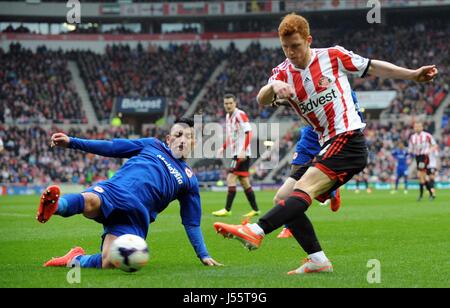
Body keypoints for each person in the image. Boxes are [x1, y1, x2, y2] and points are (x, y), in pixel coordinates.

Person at [214, 13, 438, 275]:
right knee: (283, 197)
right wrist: (274, 85)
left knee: (304, 188)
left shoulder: (332, 56)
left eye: (296, 46)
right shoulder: (282, 72)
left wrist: (412, 75)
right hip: (323, 142)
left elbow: (373, 67)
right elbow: (262, 99)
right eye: (285, 47)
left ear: (308, 40)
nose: (291, 52)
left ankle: (256, 229)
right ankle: (318, 260)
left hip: (348, 138)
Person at [37, 118, 222, 269]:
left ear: (194, 143)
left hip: (136, 215)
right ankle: (56, 206)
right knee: (91, 201)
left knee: (109, 261)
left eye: (188, 137)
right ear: (168, 139)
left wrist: (203, 254)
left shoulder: (189, 180)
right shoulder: (152, 145)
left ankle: (74, 259)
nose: (182, 139)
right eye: (178, 135)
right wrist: (72, 142)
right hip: (115, 192)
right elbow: (112, 147)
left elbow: (191, 222)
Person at [276, 90, 360, 238]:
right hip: (310, 136)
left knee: (308, 183)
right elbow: (307, 103)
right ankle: (289, 226)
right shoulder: (310, 81)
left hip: (331, 137)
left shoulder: (344, 90)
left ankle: (331, 192)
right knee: (295, 177)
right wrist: (286, 101)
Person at [212, 94, 260, 218]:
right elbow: (231, 137)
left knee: (230, 177)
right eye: (226, 103)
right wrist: (222, 148)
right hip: (236, 153)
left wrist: (243, 149)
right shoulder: (228, 117)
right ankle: (255, 209)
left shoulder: (240, 114)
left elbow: (249, 132)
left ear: (235, 103)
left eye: (230, 103)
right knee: (244, 182)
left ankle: (227, 209)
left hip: (241, 154)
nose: (228, 105)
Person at [408, 122, 437, 201]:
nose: (417, 128)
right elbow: (410, 149)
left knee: (420, 175)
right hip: (417, 157)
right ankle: (431, 194)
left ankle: (421, 195)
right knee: (422, 177)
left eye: (419, 126)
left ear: (422, 127)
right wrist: (409, 154)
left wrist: (429, 150)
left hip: (424, 157)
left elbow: (435, 145)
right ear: (414, 128)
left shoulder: (427, 135)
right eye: (416, 127)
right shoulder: (412, 137)